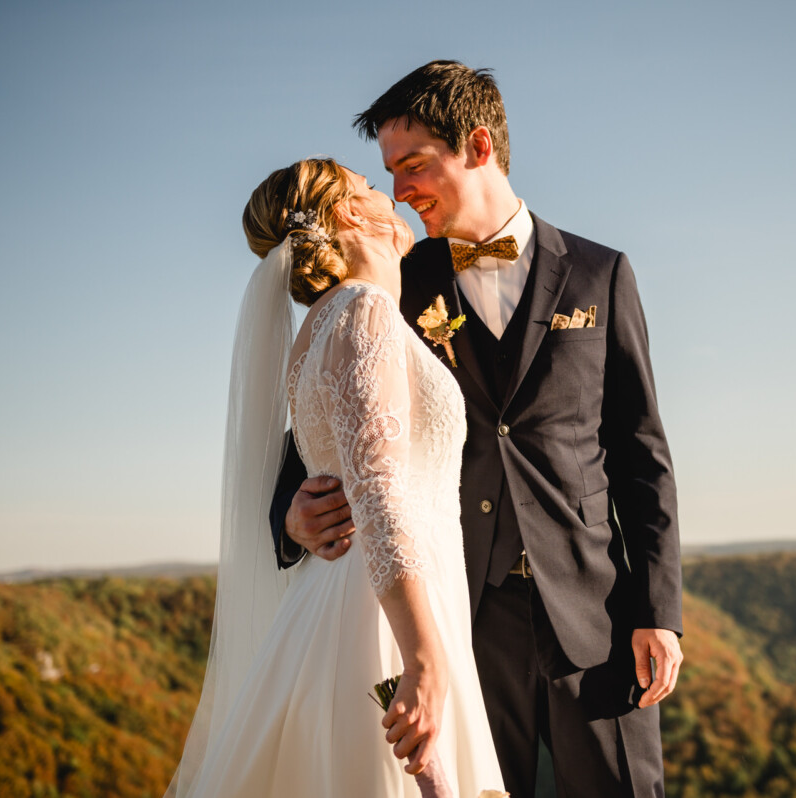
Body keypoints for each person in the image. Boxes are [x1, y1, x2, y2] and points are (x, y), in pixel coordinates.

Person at [271, 62, 683, 797]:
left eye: (414, 165)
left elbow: (641, 453)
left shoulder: (601, 273)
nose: (399, 190)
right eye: (389, 172)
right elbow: (317, 424)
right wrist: (291, 515)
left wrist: (660, 613)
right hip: (458, 617)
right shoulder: (392, 281)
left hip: (596, 618)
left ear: (480, 145)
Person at [168, 158, 504, 797]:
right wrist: (425, 660)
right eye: (374, 187)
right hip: (380, 622)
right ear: (352, 213)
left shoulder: (324, 325)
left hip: (352, 600)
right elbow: (380, 497)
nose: (392, 196)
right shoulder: (365, 311)